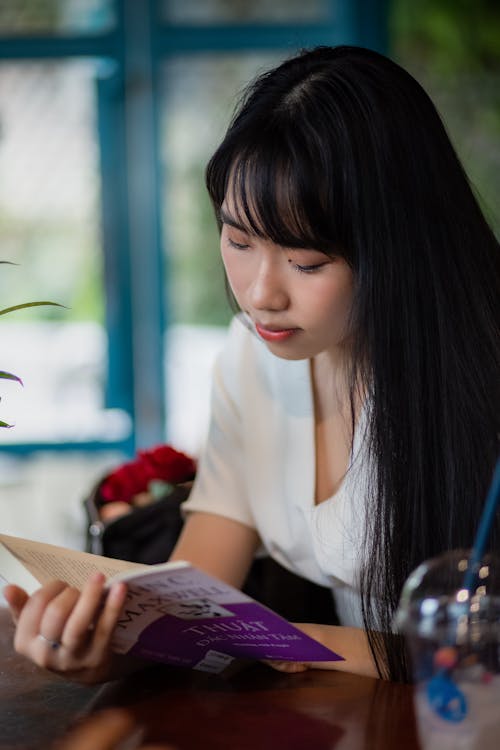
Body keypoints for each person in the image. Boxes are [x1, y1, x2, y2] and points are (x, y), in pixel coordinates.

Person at [4, 45, 499, 683]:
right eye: (238, 241)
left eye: (307, 262)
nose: (261, 292)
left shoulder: (474, 385)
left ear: (397, 248)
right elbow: (194, 591)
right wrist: (99, 648)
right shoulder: (253, 359)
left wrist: (298, 642)